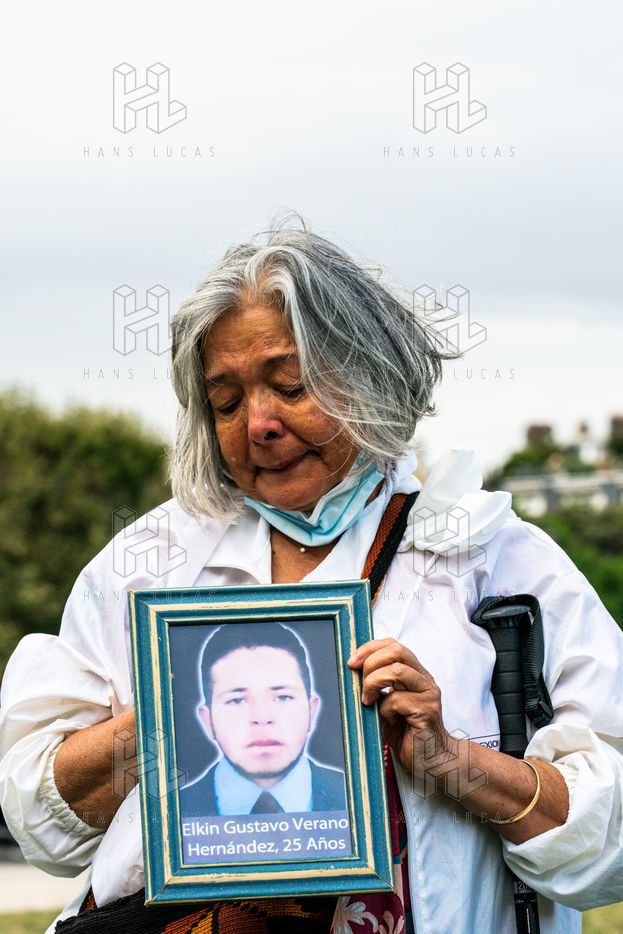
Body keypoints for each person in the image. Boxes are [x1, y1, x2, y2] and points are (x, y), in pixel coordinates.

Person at [1, 216, 623, 934]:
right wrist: (167, 717)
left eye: (290, 386)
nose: (257, 424)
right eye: (226, 401)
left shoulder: (494, 559)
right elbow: (44, 823)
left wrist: (451, 760)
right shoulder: (147, 565)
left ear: (370, 374)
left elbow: (606, 846)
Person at [179, 622, 347, 816]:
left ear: (312, 710)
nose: (262, 717)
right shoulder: (172, 811)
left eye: (283, 697)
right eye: (237, 700)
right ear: (208, 720)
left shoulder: (360, 794)